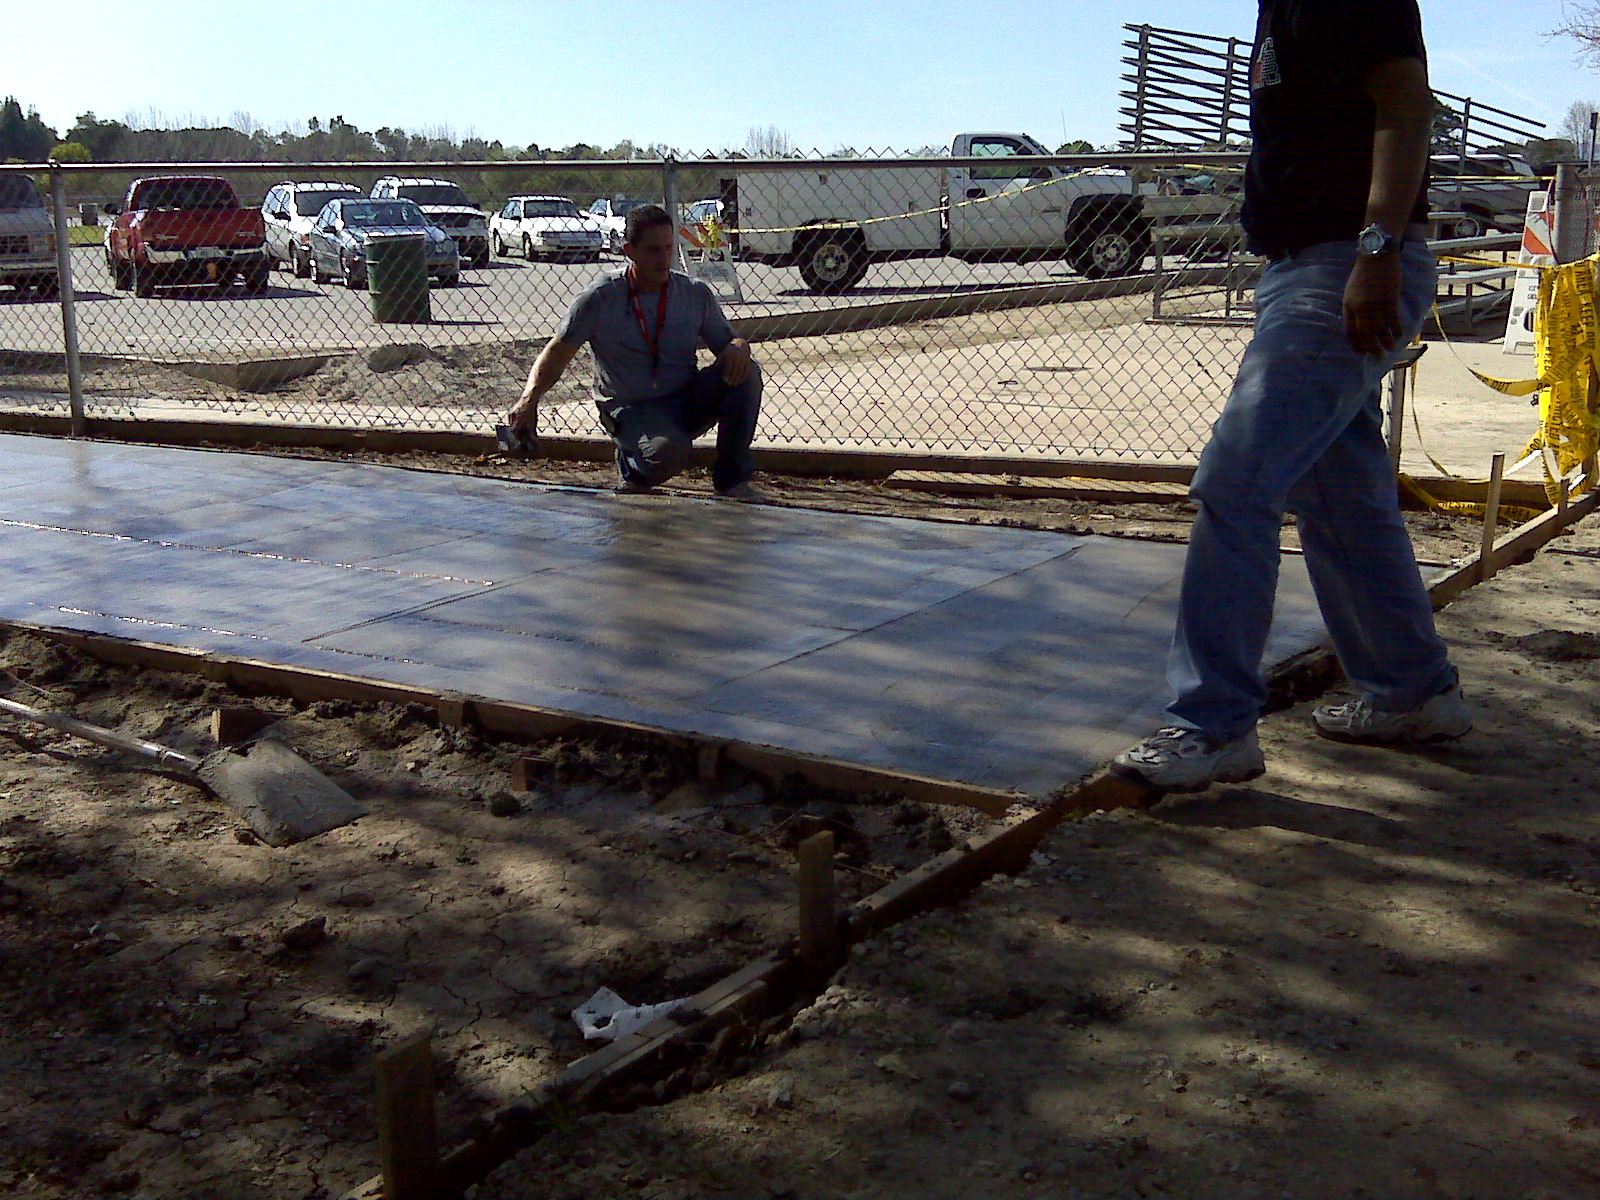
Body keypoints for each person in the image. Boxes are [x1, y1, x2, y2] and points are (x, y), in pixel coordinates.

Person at [1113, 0, 1471, 794]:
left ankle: (1213, 725)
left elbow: (1405, 106)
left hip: (1341, 267)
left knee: (1237, 480)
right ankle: (1411, 691)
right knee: (1340, 495)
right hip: (1303, 267)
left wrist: (1377, 249)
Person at [507, 204, 762, 498]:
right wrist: (529, 399)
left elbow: (728, 346)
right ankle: (631, 467)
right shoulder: (601, 297)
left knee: (746, 372)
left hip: (684, 399)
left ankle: (732, 480)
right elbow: (558, 352)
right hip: (631, 409)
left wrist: (739, 346)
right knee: (669, 453)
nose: (664, 259)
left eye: (668, 248)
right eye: (653, 250)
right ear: (630, 251)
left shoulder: (694, 293)